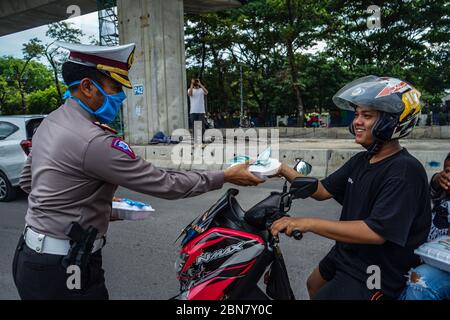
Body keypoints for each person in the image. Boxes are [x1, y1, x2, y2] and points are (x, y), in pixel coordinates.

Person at [12, 41, 264, 300]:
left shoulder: (49, 122)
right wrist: (225, 175)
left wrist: (96, 205)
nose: (121, 96)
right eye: (115, 87)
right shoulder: (94, 141)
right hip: (66, 271)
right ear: (87, 86)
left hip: (30, 260)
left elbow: (29, 182)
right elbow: (165, 183)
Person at [272, 75, 431, 300]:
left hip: (378, 268)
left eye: (367, 115)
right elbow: (322, 190)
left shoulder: (405, 170)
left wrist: (306, 223)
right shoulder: (361, 161)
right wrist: (280, 168)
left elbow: (375, 232)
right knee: (313, 284)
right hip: (348, 252)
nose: (357, 121)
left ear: (391, 122)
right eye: (356, 114)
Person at [399, 152, 450, 300]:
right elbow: (432, 190)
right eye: (447, 170)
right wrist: (437, 179)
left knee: (419, 281)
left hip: (443, 263)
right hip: (430, 255)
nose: (448, 176)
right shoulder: (445, 193)